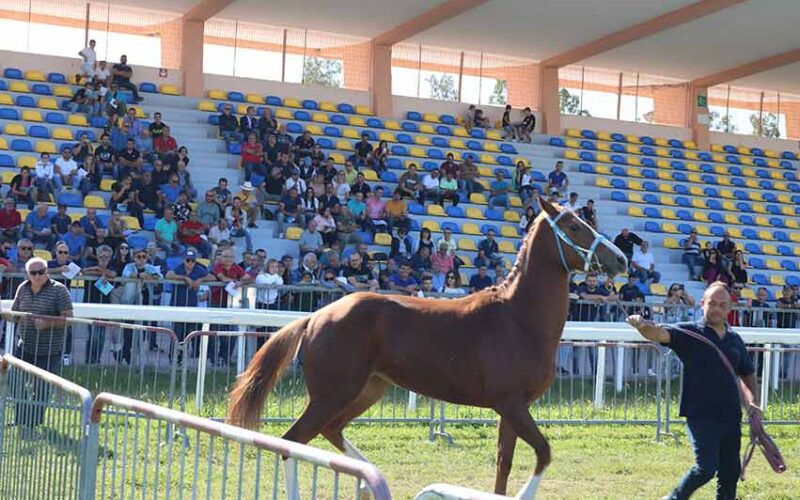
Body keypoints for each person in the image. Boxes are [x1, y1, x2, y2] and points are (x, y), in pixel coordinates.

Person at [627, 282, 760, 500]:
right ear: (702, 304)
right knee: (706, 468)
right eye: (712, 303)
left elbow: (747, 373)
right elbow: (659, 333)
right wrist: (641, 326)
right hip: (700, 415)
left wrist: (753, 403)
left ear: (729, 309)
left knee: (730, 473)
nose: (716, 308)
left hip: (730, 416)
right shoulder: (688, 332)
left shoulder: (735, 340)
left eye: (722, 305)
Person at [5, 257, 73, 434]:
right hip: (25, 346)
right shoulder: (22, 288)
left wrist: (47, 324)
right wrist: (7, 315)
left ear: (47, 271)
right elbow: (16, 314)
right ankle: (22, 418)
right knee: (14, 381)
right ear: (28, 274)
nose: (37, 276)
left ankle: (33, 424)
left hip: (50, 349)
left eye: (41, 272)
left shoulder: (59, 290)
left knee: (42, 389)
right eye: (33, 273)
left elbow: (68, 318)